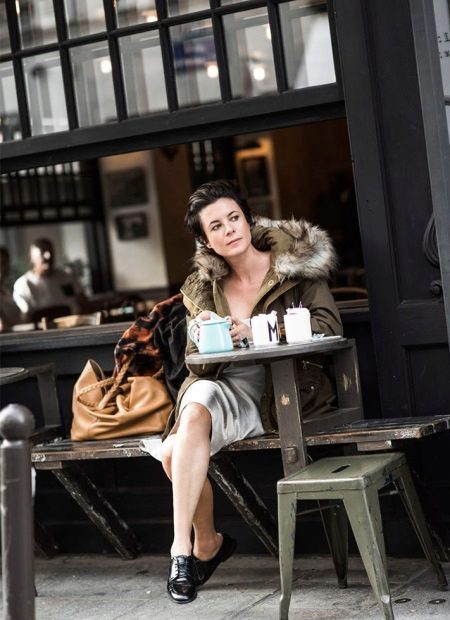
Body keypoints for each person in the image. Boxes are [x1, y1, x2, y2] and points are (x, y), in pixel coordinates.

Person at [160, 179, 343, 604]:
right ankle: (182, 550)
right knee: (195, 408)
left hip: (283, 391)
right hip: (226, 388)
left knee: (172, 452)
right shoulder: (203, 287)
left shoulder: (294, 265)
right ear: (206, 241)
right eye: (216, 226)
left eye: (234, 218)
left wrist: (259, 330)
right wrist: (204, 335)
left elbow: (329, 325)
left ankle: (208, 546)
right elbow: (195, 363)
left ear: (248, 219)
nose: (229, 230)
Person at [13, 238, 90, 321]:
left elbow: (84, 302)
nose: (48, 256)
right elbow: (25, 316)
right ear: (31, 257)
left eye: (50, 252)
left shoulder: (66, 277)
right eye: (42, 253)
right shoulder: (23, 284)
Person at [0, 246, 23, 331]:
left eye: (6, 263)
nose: (4, 268)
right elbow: (2, 327)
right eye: (1, 263)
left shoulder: (7, 292)